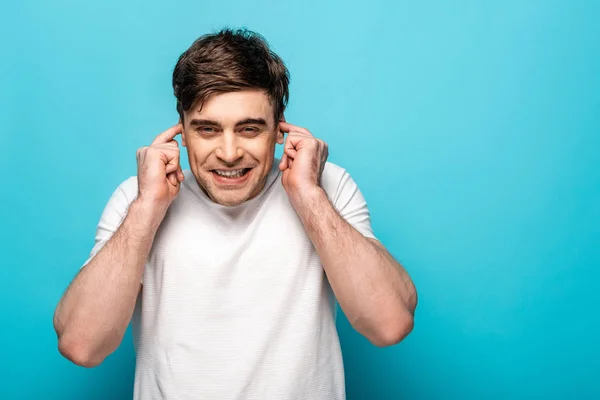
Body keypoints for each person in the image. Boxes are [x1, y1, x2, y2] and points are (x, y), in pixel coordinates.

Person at [53, 28, 417, 399]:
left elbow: (389, 324)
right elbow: (82, 344)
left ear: (280, 129)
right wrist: (147, 208)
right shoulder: (139, 199)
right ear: (181, 131)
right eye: (207, 129)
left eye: (249, 129)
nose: (229, 153)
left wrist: (308, 195)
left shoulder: (327, 187)